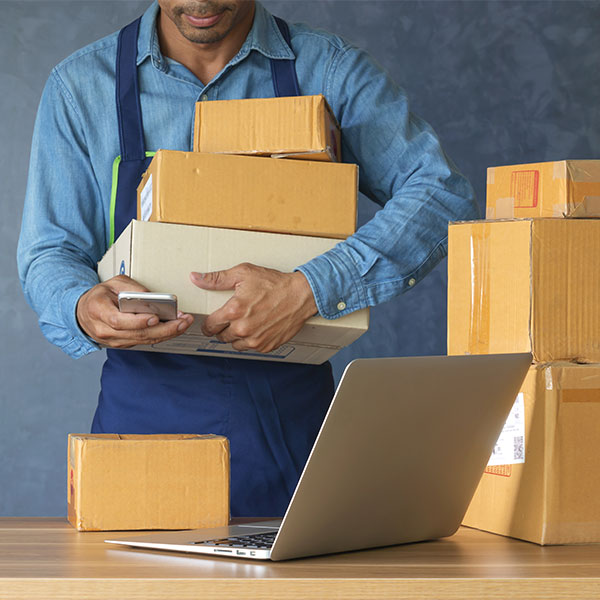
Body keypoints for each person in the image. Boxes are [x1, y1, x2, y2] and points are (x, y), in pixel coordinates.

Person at [17, 0, 479, 516]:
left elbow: (442, 193)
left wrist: (312, 288)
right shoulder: (82, 87)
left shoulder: (326, 70)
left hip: (289, 433)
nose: (201, 4)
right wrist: (81, 304)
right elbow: (50, 250)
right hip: (142, 430)